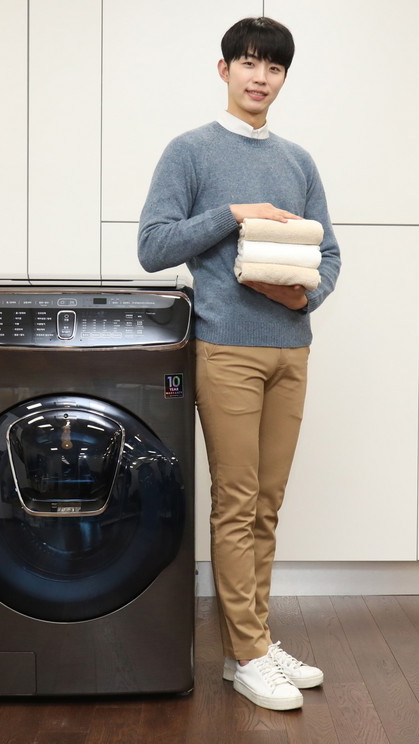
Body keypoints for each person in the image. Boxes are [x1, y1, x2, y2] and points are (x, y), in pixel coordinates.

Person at [138, 17, 341, 711]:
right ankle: (250, 653)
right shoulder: (189, 152)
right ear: (223, 69)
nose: (261, 77)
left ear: (283, 78)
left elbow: (329, 255)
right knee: (235, 501)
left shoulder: (298, 161)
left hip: (291, 349)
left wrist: (304, 295)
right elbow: (153, 246)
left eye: (273, 67)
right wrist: (232, 212)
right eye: (249, 63)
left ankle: (245, 645)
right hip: (224, 349)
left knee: (266, 505)